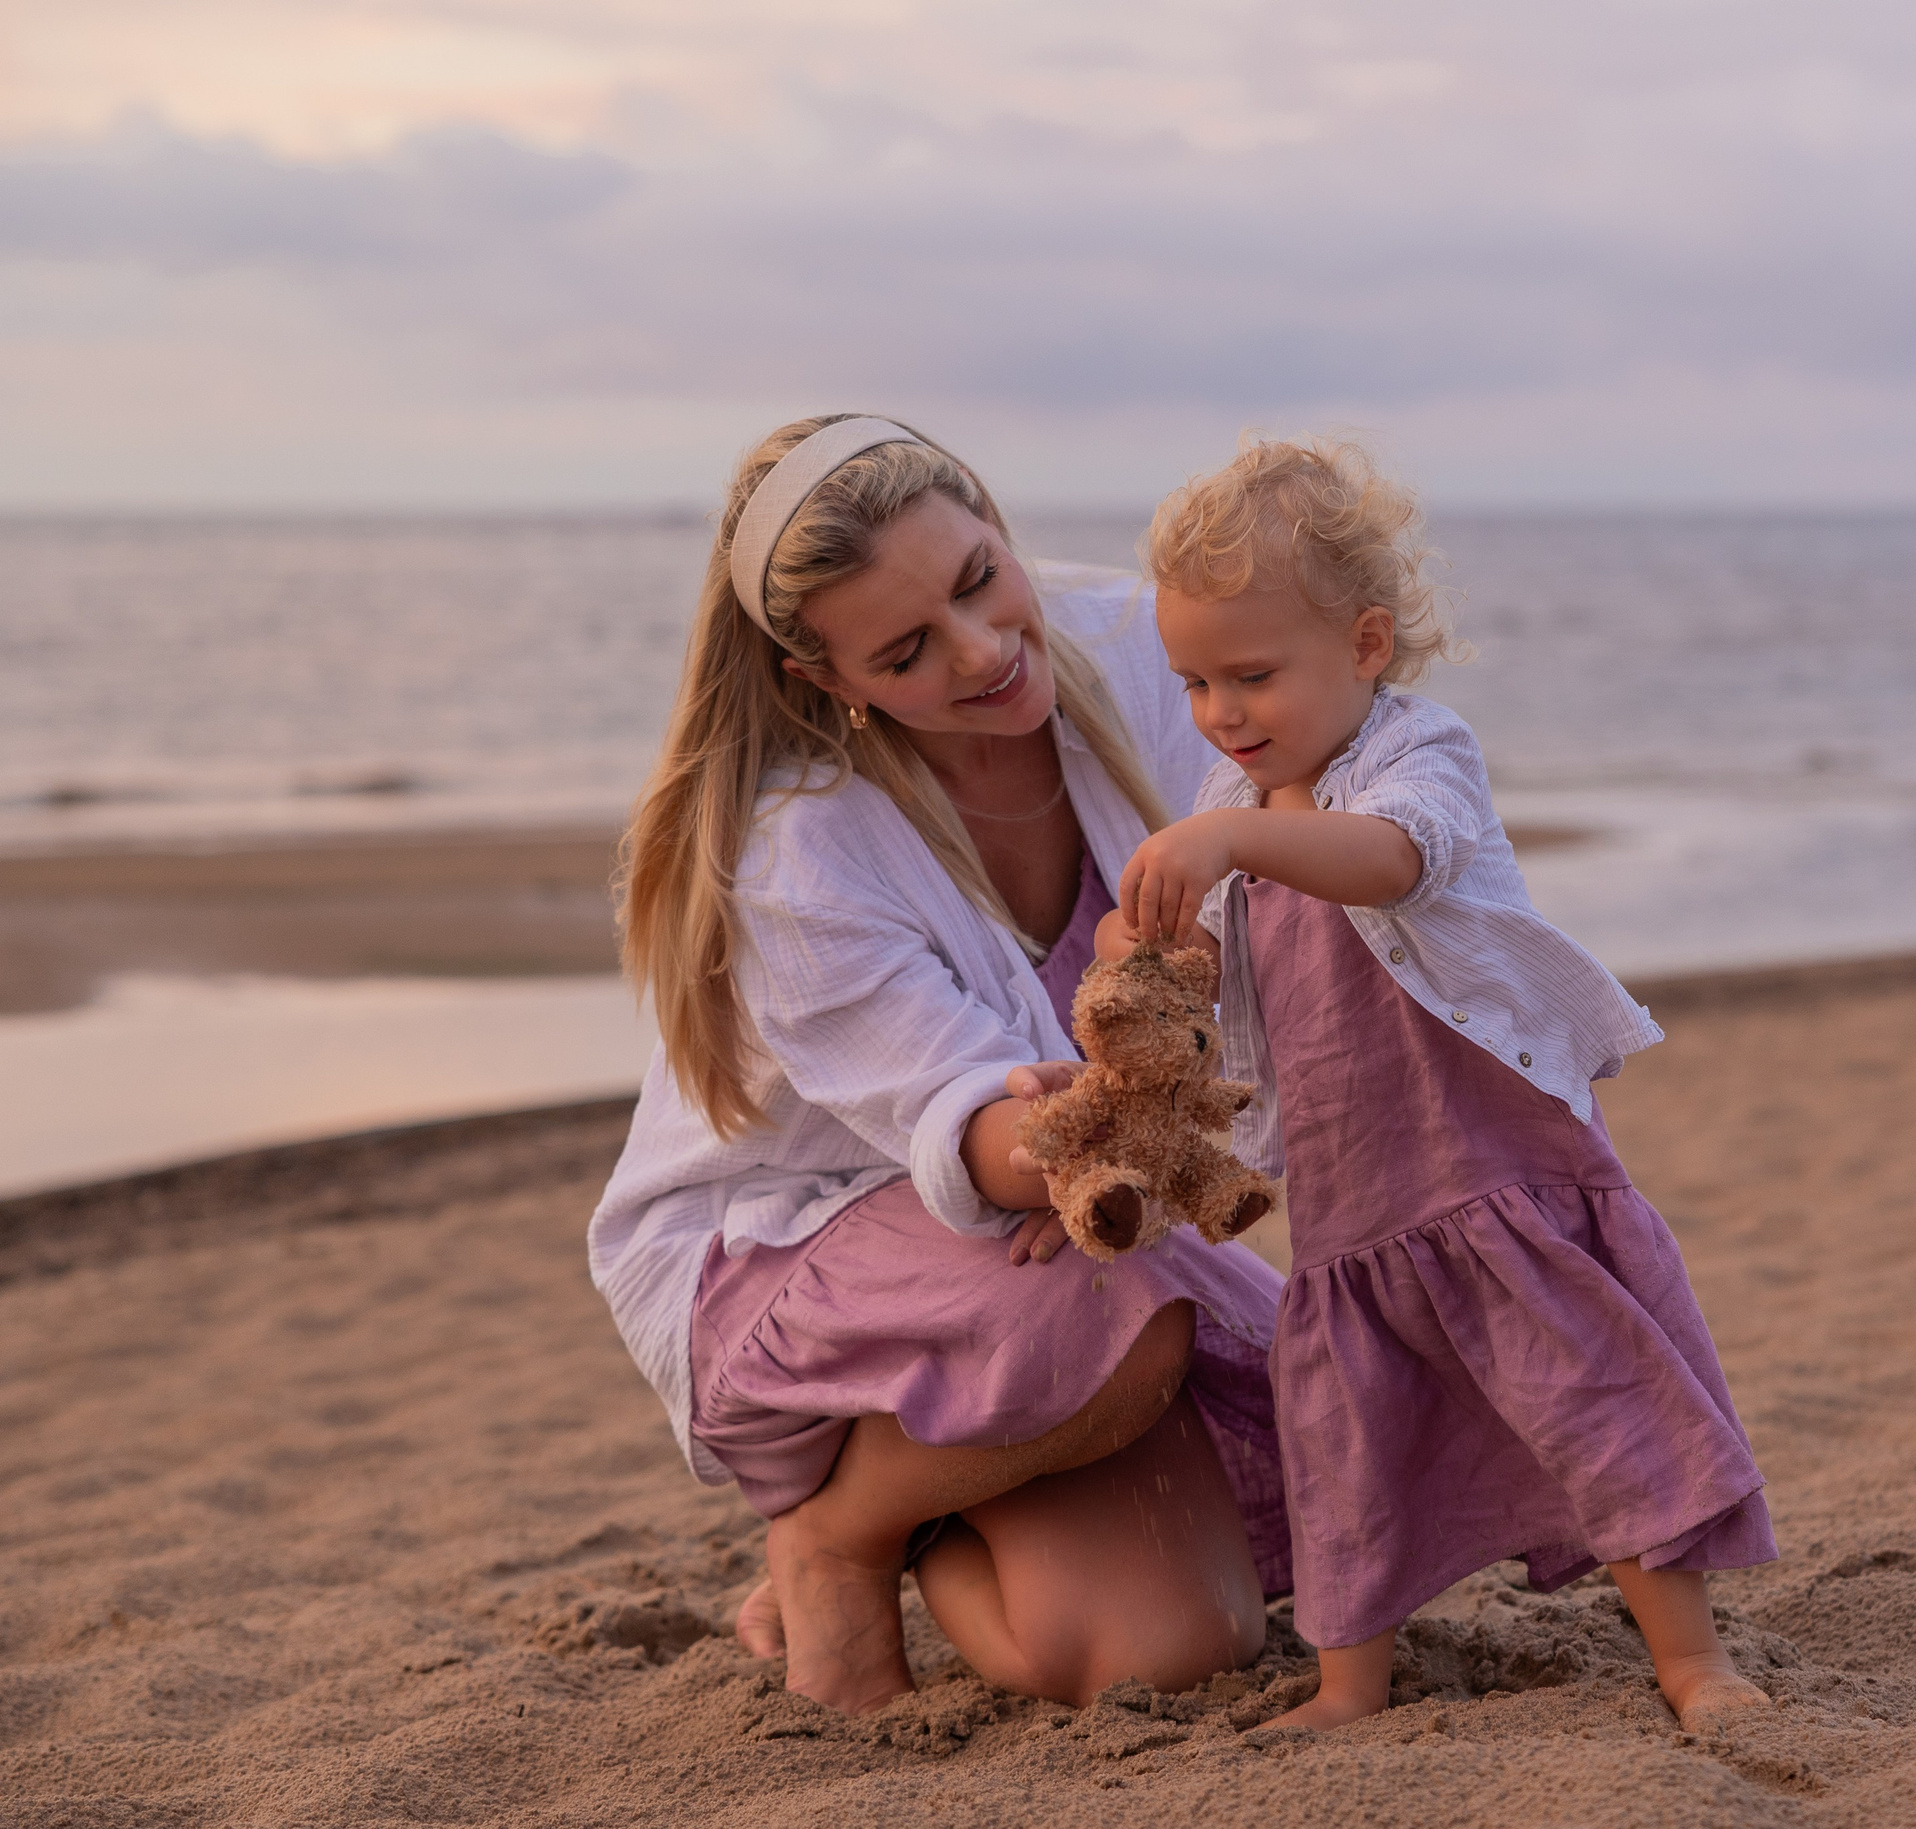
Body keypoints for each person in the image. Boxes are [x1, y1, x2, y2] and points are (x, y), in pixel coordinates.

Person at [589, 414, 1291, 1718]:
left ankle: (944, 1500)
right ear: (823, 674)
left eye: (979, 581)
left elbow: (1337, 770)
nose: (982, 653)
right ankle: (841, 1531)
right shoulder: (798, 848)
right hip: (795, 1243)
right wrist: (1069, 1156)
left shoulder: (1148, 650)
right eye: (907, 651)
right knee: (1119, 1331)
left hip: (1060, 1246)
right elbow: (967, 1123)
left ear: (989, 516)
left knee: (1197, 1617)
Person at [1099, 435, 1778, 1731]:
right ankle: (1352, 1680)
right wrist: (1162, 945)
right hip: (1355, 1203)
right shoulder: (1237, 793)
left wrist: (1236, 835)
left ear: (1362, 646)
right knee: (1345, 1435)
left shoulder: (1418, 758)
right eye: (1192, 681)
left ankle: (1693, 1661)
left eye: (1252, 674)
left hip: (1483, 1168)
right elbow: (1234, 967)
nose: (1220, 713)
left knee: (1592, 1398)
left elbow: (1394, 865)